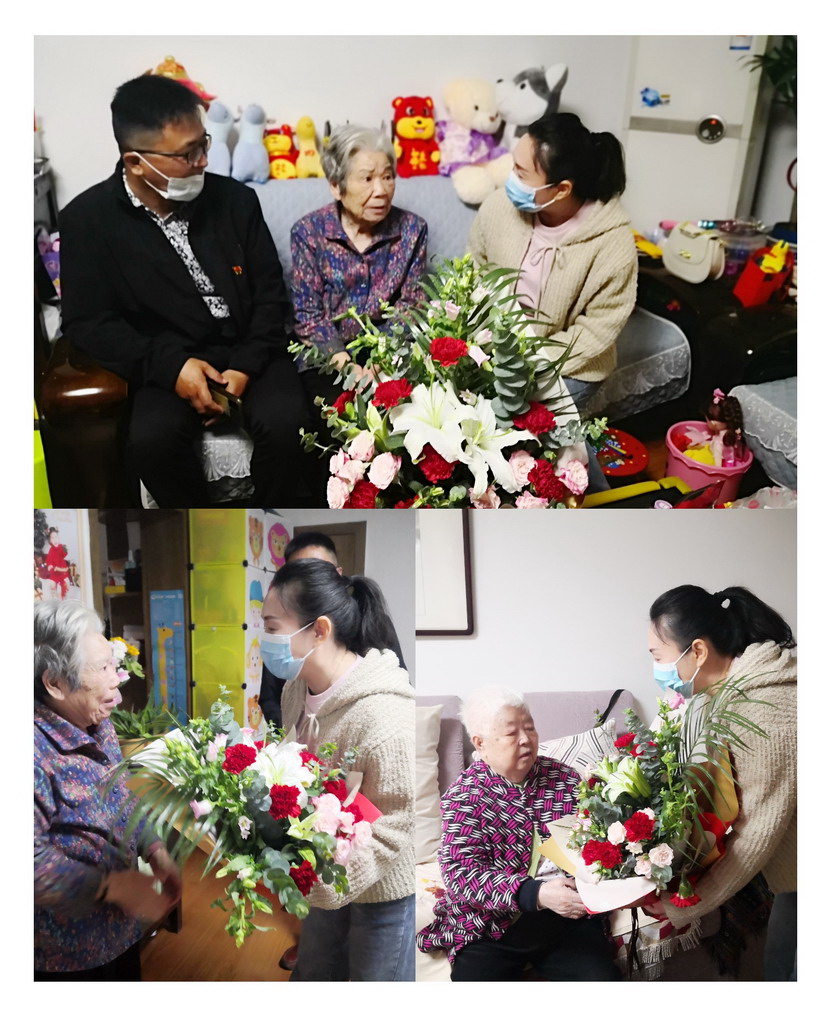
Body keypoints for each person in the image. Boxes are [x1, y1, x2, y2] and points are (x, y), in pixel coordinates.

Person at [59, 74, 310, 507]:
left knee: (291, 427)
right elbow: (89, 323)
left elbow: (271, 296)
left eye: (203, 144)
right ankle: (201, 527)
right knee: (151, 444)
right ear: (136, 162)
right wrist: (172, 367)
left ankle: (270, 523)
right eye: (187, 153)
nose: (203, 161)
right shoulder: (87, 221)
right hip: (166, 358)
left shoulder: (236, 201)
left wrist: (245, 366)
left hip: (250, 348)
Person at [261, 559, 415, 981]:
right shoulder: (296, 689)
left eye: (272, 628)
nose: (265, 640)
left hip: (381, 889)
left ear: (319, 630)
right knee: (315, 974)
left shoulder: (384, 716)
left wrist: (328, 881)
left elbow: (398, 822)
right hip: (324, 871)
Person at [417, 685, 621, 982]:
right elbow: (461, 874)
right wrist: (535, 893)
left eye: (530, 728)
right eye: (512, 733)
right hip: (490, 924)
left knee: (601, 980)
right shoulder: (463, 797)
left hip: (566, 919)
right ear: (481, 743)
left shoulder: (564, 778)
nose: (526, 739)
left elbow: (597, 842)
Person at [646, 584, 797, 981]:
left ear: (697, 651)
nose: (657, 669)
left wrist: (685, 904)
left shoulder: (762, 710)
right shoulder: (721, 695)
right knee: (780, 967)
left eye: (658, 657)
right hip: (795, 874)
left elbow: (759, 831)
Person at [34, 602, 181, 980]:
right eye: (102, 669)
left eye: (113, 665)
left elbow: (123, 796)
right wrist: (115, 888)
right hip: (69, 954)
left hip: (121, 930)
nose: (116, 679)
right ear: (54, 683)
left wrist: (155, 848)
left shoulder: (99, 724)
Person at [290, 125, 428, 501]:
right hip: (327, 355)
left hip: (390, 350)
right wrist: (346, 366)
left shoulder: (412, 230)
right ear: (337, 186)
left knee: (410, 414)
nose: (381, 190)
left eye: (388, 176)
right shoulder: (309, 233)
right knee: (327, 418)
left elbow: (411, 306)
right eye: (366, 179)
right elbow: (309, 314)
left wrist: (382, 360)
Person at [468, 112, 637, 408]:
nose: (511, 179)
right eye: (513, 166)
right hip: (493, 349)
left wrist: (529, 362)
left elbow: (597, 328)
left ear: (562, 190)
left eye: (521, 174)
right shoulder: (497, 207)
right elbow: (474, 272)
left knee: (515, 420)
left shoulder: (613, 244)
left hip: (567, 364)